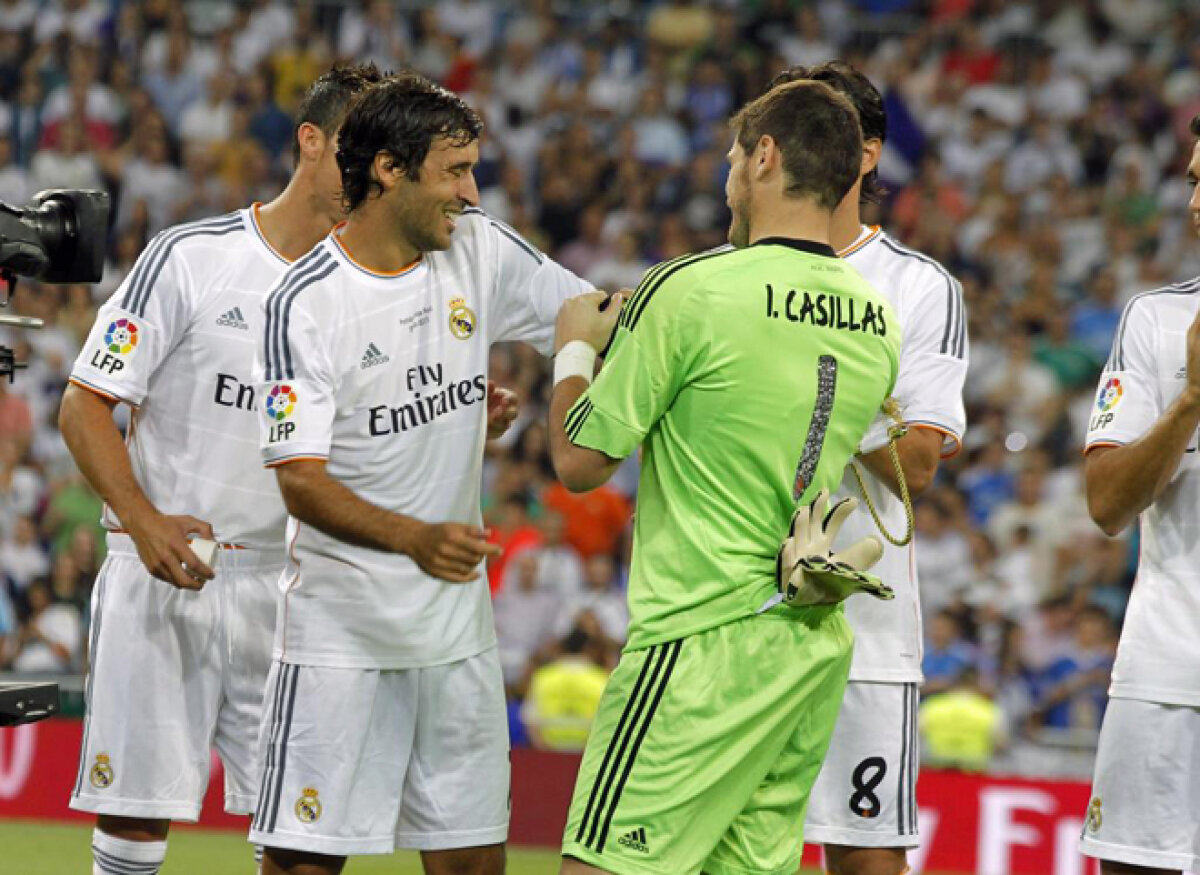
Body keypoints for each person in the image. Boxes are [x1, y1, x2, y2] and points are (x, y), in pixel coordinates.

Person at [549, 79, 901, 875]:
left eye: (735, 157)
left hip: (696, 644)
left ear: (766, 157)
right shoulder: (876, 317)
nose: (728, 175)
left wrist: (575, 347)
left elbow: (579, 460)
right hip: (804, 648)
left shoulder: (693, 287)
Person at [248, 74, 591, 875]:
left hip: (453, 637)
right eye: (455, 171)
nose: (472, 193)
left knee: (473, 861)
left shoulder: (477, 248)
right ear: (390, 170)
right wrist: (416, 538)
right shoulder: (305, 301)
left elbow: (594, 314)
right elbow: (299, 479)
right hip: (340, 634)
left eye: (475, 170)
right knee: (304, 864)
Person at [58, 65, 388, 875]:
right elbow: (84, 403)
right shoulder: (190, 259)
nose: (375, 170)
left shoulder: (371, 293)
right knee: (135, 824)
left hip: (291, 591)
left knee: (306, 842)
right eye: (359, 147)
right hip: (159, 574)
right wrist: (143, 519)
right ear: (310, 143)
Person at [771, 62, 968, 875]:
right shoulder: (725, 275)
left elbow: (917, 462)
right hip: (734, 606)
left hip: (862, 623)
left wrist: (816, 376)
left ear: (868, 153)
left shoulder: (919, 287)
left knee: (863, 859)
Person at [1078, 113, 1200, 875]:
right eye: (1194, 180)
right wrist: (1190, 399)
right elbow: (1106, 505)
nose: (1195, 202)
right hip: (1168, 668)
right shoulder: (1156, 320)